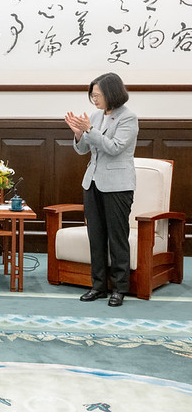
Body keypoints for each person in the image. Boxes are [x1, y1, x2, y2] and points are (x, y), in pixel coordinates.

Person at [65, 72, 138, 307]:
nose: (94, 100)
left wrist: (89, 131)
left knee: (117, 238)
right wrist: (79, 135)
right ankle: (98, 286)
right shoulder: (95, 116)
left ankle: (119, 288)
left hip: (118, 186)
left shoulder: (128, 118)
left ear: (111, 93)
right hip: (92, 183)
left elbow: (114, 147)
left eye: (97, 95)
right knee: (95, 237)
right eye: (92, 95)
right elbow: (84, 149)